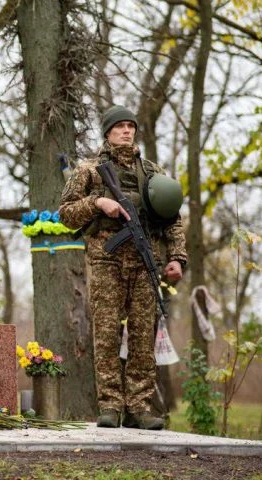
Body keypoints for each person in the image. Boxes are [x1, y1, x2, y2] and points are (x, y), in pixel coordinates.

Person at [59, 105, 187, 430]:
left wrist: (176, 258)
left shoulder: (152, 171)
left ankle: (139, 408)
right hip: (106, 259)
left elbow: (171, 219)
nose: (126, 131)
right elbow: (65, 213)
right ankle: (111, 407)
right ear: (107, 132)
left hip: (146, 263)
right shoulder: (90, 170)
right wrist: (97, 203)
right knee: (106, 334)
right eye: (120, 127)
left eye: (131, 126)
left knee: (144, 336)